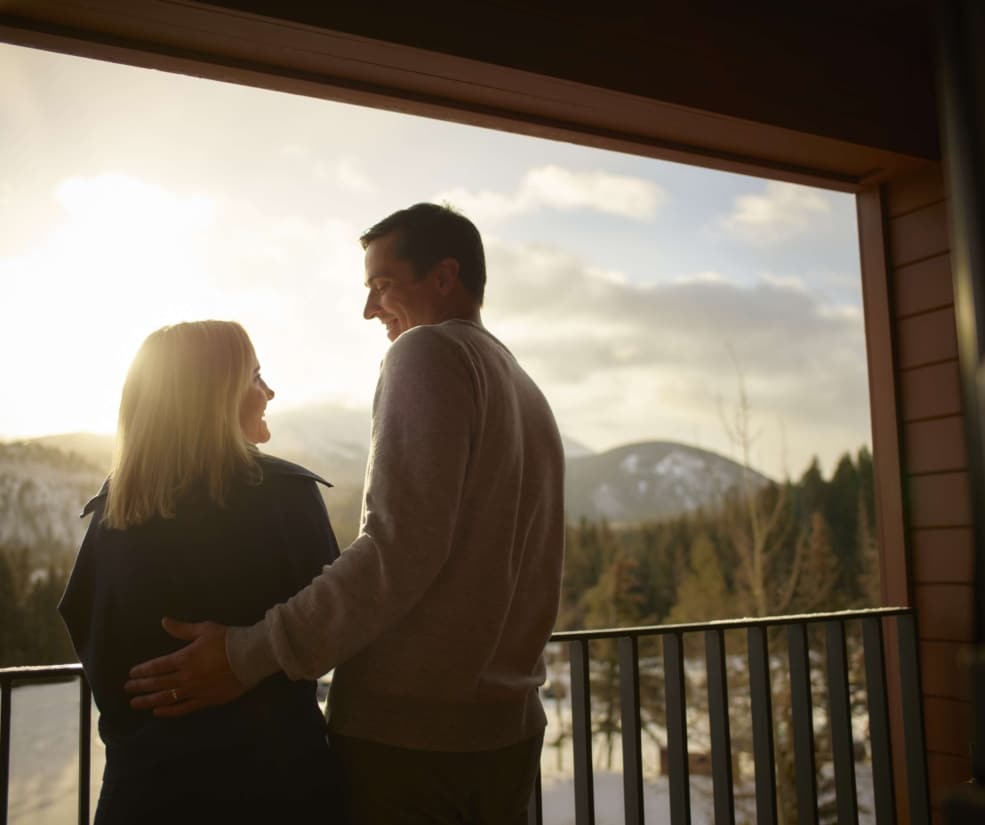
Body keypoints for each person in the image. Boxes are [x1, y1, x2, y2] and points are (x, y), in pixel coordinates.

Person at [125, 204, 567, 824]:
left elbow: (398, 548)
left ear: (445, 277)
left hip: (412, 745)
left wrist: (246, 653)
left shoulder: (427, 351)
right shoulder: (525, 388)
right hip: (506, 735)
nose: (369, 311)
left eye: (382, 286)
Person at [59, 320, 342, 825]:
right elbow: (333, 631)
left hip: (145, 794)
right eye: (256, 377)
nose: (269, 390)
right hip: (278, 793)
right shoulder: (287, 499)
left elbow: (99, 651)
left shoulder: (113, 513)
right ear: (218, 395)